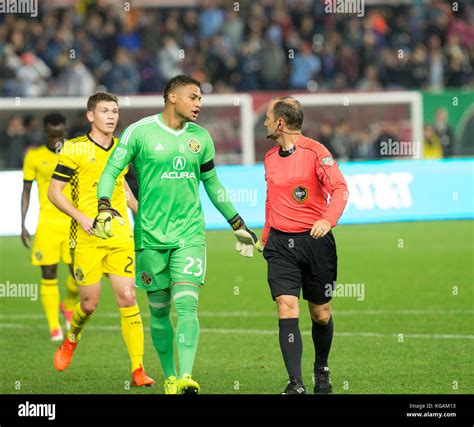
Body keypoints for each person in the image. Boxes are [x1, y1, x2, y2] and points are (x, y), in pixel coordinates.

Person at [94, 75, 261, 394]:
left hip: (189, 236)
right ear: (172, 97)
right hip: (149, 237)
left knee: (186, 306)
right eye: (193, 97)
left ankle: (186, 375)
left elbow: (212, 184)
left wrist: (237, 224)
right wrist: (104, 206)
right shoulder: (139, 132)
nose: (199, 103)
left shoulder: (201, 138)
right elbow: (111, 172)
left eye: (201, 98)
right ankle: (170, 376)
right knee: (159, 312)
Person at [47, 92, 154, 387]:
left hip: (120, 235)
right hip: (86, 238)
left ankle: (137, 370)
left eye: (115, 111)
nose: (111, 116)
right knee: (90, 304)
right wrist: (82, 218)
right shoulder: (74, 149)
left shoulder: (123, 149)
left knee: (128, 297)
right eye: (105, 111)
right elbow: (54, 192)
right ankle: (71, 338)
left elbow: (125, 192)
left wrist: (144, 216)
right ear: (90, 116)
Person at [262, 96, 348, 394]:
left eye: (268, 117)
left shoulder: (316, 152)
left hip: (315, 243)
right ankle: (295, 382)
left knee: (320, 313)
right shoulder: (270, 157)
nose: (265, 122)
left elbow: (340, 189)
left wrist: (328, 219)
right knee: (286, 307)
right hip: (280, 244)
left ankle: (321, 369)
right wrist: (265, 237)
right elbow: (270, 199)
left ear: (280, 122)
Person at [21, 113, 79, 341]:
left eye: (60, 133)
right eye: (52, 134)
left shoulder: (75, 152)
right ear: (44, 132)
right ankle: (54, 326)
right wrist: (22, 222)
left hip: (72, 222)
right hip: (46, 223)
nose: (56, 138)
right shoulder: (33, 156)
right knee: (49, 273)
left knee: (77, 273)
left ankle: (68, 304)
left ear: (65, 131)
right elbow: (25, 190)